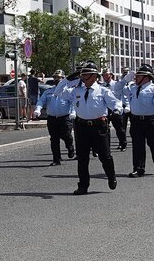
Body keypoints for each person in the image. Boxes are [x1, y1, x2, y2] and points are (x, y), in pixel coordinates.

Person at [60, 61, 121, 195]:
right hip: (82, 126)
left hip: (99, 126)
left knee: (105, 156)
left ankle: (111, 176)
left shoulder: (103, 91)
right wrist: (67, 79)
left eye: (86, 74)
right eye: (82, 74)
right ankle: (83, 186)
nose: (83, 77)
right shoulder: (76, 90)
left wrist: (117, 110)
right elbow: (59, 93)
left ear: (94, 76)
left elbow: (116, 103)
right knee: (82, 158)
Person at [123, 64, 154, 178]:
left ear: (146, 77)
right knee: (137, 145)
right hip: (136, 120)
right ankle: (138, 168)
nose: (135, 78)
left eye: (138, 76)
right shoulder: (132, 88)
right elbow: (118, 91)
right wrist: (124, 80)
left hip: (150, 120)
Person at [32, 70, 75, 165]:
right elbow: (41, 101)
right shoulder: (48, 91)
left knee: (66, 135)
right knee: (54, 139)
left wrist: (73, 112)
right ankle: (56, 159)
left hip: (65, 118)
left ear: (64, 79)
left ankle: (70, 147)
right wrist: (38, 109)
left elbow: (73, 103)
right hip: (52, 118)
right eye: (55, 78)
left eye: (59, 78)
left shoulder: (68, 92)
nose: (57, 80)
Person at [102, 69, 128, 151]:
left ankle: (123, 144)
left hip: (116, 108)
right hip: (106, 109)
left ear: (111, 75)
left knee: (119, 128)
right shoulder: (101, 86)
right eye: (104, 75)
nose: (105, 77)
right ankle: (107, 146)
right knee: (106, 128)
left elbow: (124, 83)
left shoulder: (116, 84)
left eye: (107, 75)